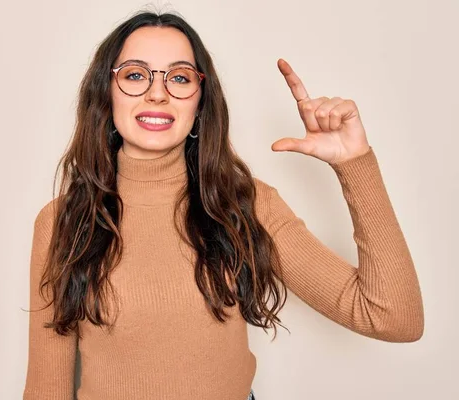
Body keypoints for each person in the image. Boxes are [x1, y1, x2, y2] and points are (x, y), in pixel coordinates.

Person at [22, 10, 424, 400]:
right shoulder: (61, 222)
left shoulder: (246, 204)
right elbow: (46, 390)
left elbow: (393, 318)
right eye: (134, 75)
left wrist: (354, 164)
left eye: (179, 77)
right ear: (106, 96)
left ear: (200, 104)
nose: (157, 92)